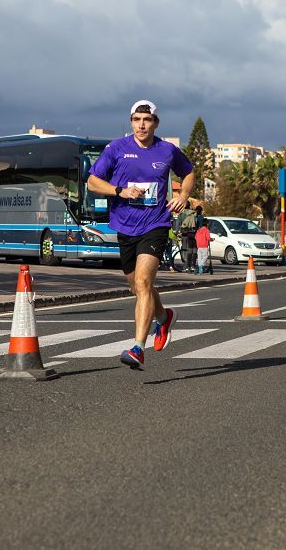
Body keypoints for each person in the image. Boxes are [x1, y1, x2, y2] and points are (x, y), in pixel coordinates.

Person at [87, 100, 195, 370]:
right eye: (136, 119)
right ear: (131, 122)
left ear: (156, 123)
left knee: (145, 282)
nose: (141, 125)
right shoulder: (116, 148)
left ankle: (137, 347)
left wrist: (183, 194)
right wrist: (119, 191)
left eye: (146, 119)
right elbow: (91, 182)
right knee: (137, 287)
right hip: (125, 226)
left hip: (156, 224)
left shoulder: (167, 150)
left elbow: (189, 172)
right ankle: (164, 316)